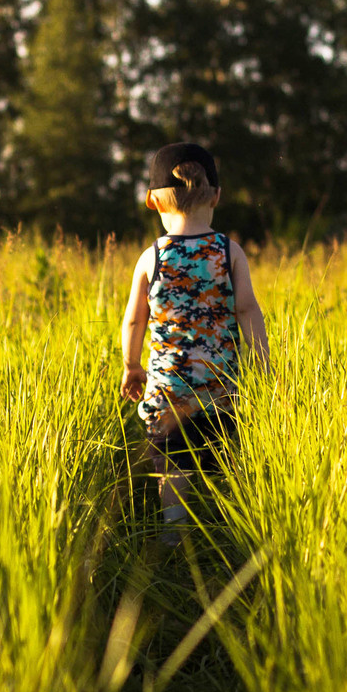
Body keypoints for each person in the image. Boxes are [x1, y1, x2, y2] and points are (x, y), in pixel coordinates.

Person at [118, 142, 268, 542]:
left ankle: (174, 534)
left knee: (173, 466)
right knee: (225, 462)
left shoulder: (151, 256)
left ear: (152, 201)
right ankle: (230, 534)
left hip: (169, 394)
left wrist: (132, 365)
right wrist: (262, 365)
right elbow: (248, 310)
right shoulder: (228, 251)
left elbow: (134, 319)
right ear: (216, 195)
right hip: (221, 392)